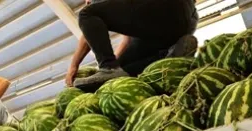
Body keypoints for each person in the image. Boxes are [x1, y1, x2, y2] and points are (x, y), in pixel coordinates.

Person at [66, 0, 198, 88]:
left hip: (162, 7)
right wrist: (116, 65)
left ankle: (108, 67)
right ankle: (170, 54)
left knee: (87, 14)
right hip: (183, 20)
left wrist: (74, 65)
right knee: (122, 71)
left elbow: (89, 27)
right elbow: (127, 40)